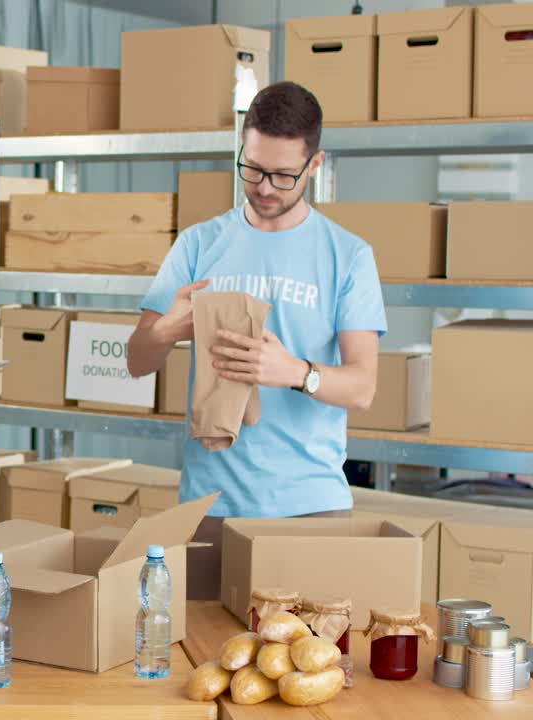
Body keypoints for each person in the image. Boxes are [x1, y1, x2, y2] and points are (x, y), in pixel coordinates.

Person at [125, 82, 386, 594]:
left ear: (315, 165)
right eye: (252, 168)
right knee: (200, 666)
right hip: (208, 507)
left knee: (307, 668)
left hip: (312, 510)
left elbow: (363, 387)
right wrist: (167, 329)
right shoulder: (198, 244)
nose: (265, 187)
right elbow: (137, 361)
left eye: (284, 175)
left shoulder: (348, 255)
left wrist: (294, 373)